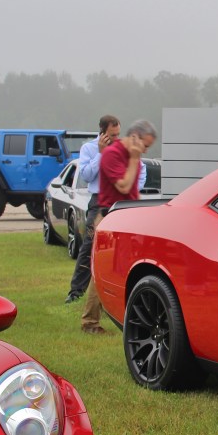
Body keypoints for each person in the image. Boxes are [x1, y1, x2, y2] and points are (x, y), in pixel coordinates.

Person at [81, 120, 157, 334]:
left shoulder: (132, 156)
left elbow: (133, 190)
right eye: (145, 145)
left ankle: (125, 317)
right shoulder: (112, 154)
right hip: (109, 218)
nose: (145, 150)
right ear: (134, 137)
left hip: (126, 218)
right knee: (103, 270)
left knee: (124, 269)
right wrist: (134, 159)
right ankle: (90, 322)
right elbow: (123, 185)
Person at [66, 115, 145, 304]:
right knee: (90, 245)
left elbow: (141, 170)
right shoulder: (89, 148)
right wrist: (101, 154)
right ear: (102, 132)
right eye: (112, 135)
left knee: (125, 247)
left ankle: (123, 292)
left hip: (122, 203)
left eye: (118, 134)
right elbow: (86, 175)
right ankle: (76, 291)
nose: (116, 138)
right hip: (100, 202)